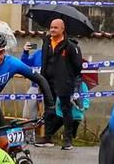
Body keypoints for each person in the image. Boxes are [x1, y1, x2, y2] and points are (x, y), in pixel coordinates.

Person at [34, 15, 85, 149]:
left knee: (66, 110)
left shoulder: (70, 46)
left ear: (63, 29)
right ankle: (47, 138)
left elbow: (78, 66)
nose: (52, 30)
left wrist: (68, 77)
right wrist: (42, 80)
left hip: (64, 83)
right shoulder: (46, 42)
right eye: (51, 27)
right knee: (49, 110)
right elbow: (44, 61)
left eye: (55, 27)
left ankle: (67, 140)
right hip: (48, 81)